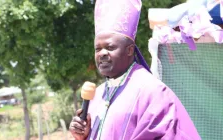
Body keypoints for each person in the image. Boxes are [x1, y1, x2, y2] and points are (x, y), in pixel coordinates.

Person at [69, 0, 201, 139]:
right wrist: (82, 135)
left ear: (129, 50)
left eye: (110, 47)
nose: (102, 53)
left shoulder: (152, 92)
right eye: (98, 49)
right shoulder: (97, 95)